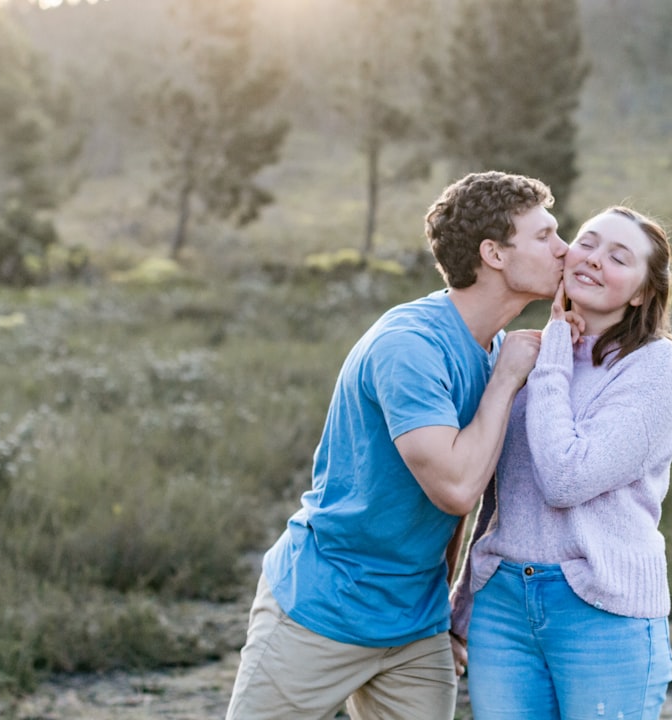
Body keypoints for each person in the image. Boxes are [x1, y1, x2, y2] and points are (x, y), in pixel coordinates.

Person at [225, 171, 569, 720]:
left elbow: (472, 494)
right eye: (546, 235)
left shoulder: (493, 349)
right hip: (322, 608)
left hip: (414, 627)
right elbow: (455, 488)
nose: (565, 250)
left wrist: (453, 615)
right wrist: (505, 382)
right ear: (494, 254)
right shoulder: (410, 347)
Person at [449, 206, 672, 719]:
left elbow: (566, 478)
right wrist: (463, 604)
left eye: (619, 257)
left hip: (601, 609)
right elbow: (493, 495)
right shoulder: (518, 354)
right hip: (503, 608)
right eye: (588, 242)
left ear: (644, 291)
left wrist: (554, 346)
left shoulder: (654, 366)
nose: (595, 260)